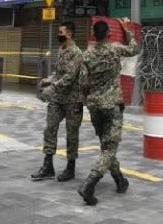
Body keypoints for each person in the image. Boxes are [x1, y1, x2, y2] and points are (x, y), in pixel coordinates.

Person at [78, 18, 140, 206]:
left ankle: (120, 180)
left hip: (95, 106)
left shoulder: (86, 55)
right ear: (108, 34)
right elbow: (134, 50)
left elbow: (82, 82)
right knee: (110, 147)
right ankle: (89, 184)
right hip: (112, 105)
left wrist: (90, 95)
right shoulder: (114, 48)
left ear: (94, 36)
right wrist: (128, 30)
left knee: (106, 145)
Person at [31, 21, 86, 182]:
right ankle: (48, 166)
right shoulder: (61, 50)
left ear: (69, 34)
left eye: (61, 32)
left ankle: (70, 168)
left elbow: (69, 77)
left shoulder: (76, 53)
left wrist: (52, 86)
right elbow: (58, 72)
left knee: (72, 134)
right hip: (57, 99)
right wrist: (47, 80)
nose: (58, 34)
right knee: (50, 129)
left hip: (72, 100)